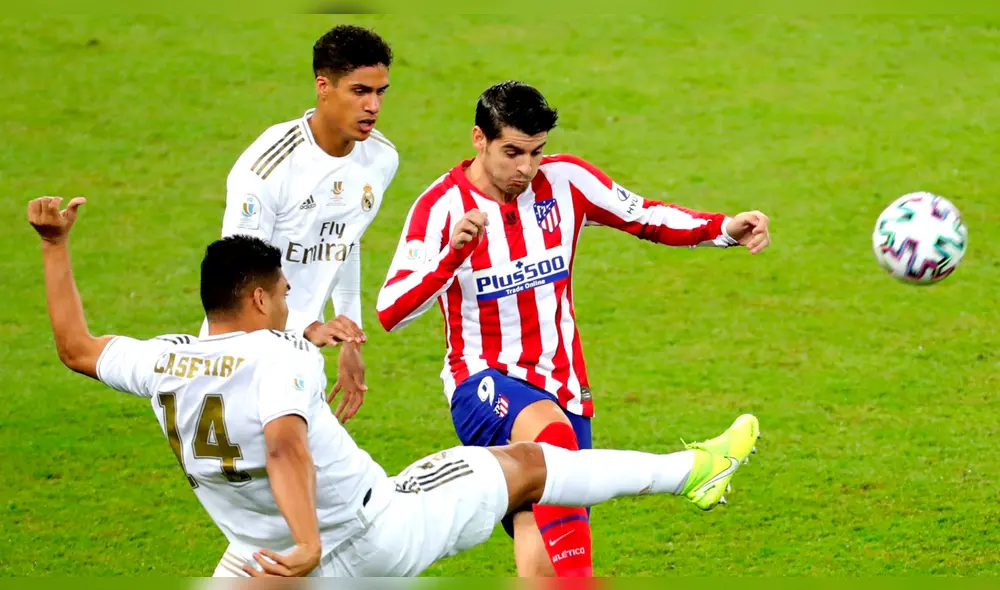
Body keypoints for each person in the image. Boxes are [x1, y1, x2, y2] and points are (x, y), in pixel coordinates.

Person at [28, 195, 759, 578]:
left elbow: (75, 348)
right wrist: (312, 543)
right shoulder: (282, 356)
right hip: (368, 534)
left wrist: (55, 249)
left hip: (261, 560)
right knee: (529, 467)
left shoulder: (165, 359)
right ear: (257, 300)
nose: (290, 305)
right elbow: (285, 444)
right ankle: (696, 470)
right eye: (283, 292)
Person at [376, 81, 771, 577]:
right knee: (553, 440)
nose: (526, 168)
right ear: (479, 139)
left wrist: (723, 229)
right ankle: (692, 472)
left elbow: (644, 216)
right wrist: (449, 259)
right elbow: (390, 311)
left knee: (552, 563)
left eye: (536, 152)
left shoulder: (566, 182)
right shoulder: (439, 207)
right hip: (482, 382)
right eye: (512, 152)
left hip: (565, 387)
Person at [206, 24, 398, 423]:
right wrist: (307, 325)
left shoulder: (380, 159)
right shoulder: (269, 166)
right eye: (360, 91)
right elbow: (237, 277)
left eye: (380, 92)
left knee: (308, 479)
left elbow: (346, 241)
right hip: (239, 356)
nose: (374, 107)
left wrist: (351, 337)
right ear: (323, 87)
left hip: (301, 357)